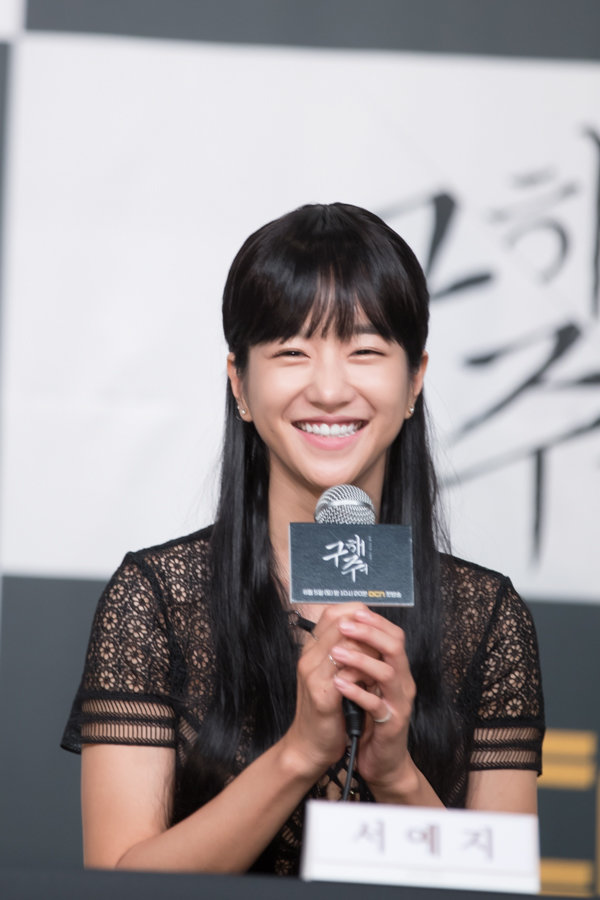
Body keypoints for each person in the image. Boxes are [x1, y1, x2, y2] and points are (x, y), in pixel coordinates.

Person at [62, 202, 544, 875]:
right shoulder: (156, 602)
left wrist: (395, 774)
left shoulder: (485, 618)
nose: (328, 389)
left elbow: (500, 889)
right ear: (240, 383)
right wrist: (299, 754)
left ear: (414, 381)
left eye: (365, 350)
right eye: (292, 352)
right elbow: (118, 881)